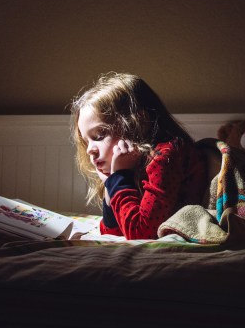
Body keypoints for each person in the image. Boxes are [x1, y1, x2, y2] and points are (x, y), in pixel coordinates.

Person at [70, 72, 207, 239]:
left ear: (138, 123)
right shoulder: (132, 165)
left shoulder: (164, 157)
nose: (90, 150)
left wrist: (119, 179)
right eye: (86, 141)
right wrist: (111, 186)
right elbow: (111, 232)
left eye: (99, 135)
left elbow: (140, 233)